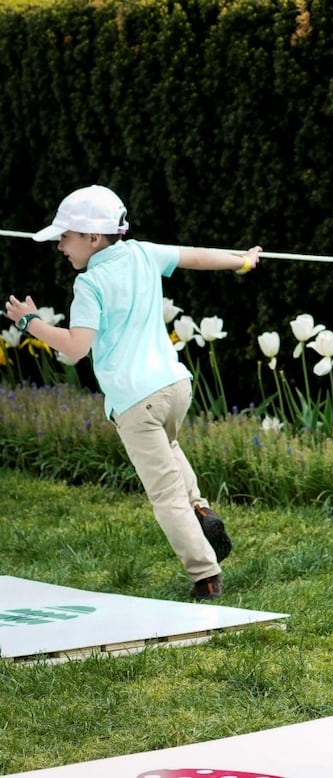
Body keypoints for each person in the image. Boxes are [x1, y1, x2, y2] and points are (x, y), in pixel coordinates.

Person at [3, 185, 261, 599]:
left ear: (93, 237)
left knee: (163, 494)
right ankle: (199, 507)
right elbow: (196, 255)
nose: (60, 246)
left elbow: (75, 348)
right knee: (170, 447)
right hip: (175, 387)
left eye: (65, 237)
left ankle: (205, 575)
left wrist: (29, 322)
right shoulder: (143, 253)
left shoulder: (90, 284)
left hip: (135, 401)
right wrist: (243, 261)